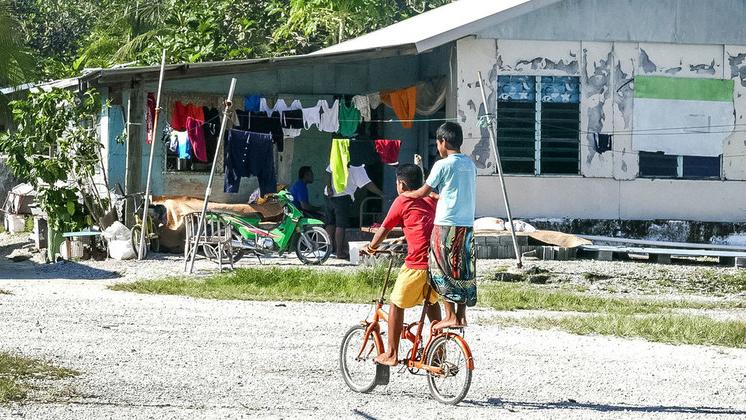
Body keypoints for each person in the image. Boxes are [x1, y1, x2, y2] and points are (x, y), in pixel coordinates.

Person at [362, 164, 441, 366]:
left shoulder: (403, 199)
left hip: (417, 264)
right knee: (431, 302)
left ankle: (391, 353)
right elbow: (422, 225)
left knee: (396, 304)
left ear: (402, 184)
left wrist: (370, 248)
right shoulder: (431, 199)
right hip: (437, 264)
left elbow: (384, 229)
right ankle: (439, 351)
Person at [403, 122, 477, 331]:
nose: (438, 147)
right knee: (462, 269)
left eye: (438, 143)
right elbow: (452, 191)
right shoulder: (470, 164)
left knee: (441, 268)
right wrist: (438, 195)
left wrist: (406, 194)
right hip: (466, 225)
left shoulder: (442, 165)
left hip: (445, 225)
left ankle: (450, 315)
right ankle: (461, 316)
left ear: (443, 142)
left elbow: (422, 192)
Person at [325, 164, 383, 259]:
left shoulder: (337, 158)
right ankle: (339, 252)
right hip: (343, 196)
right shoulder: (357, 168)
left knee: (330, 223)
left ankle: (328, 250)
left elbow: (329, 171)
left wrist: (328, 186)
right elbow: (367, 184)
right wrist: (382, 194)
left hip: (328, 195)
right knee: (340, 225)